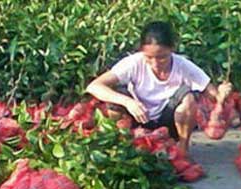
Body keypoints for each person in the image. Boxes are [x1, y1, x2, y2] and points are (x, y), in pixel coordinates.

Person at [86, 21, 232, 152]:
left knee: (188, 98)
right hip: (139, 118)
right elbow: (94, 86)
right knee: (114, 100)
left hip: (169, 122)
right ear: (141, 51)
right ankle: (123, 146)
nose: (155, 64)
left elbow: (212, 94)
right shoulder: (133, 63)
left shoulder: (183, 65)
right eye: (149, 57)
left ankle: (183, 148)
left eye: (162, 57)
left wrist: (222, 94)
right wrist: (128, 102)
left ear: (172, 49)